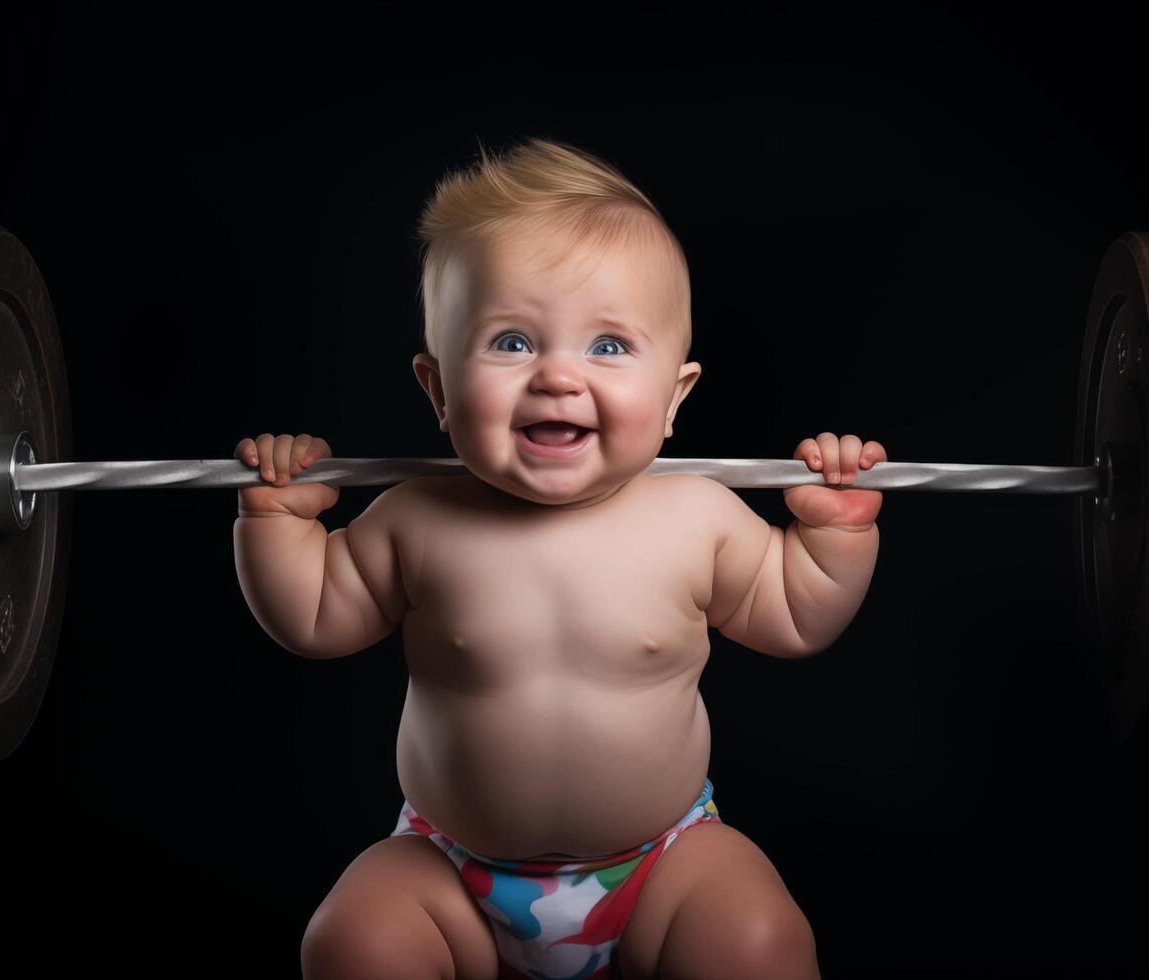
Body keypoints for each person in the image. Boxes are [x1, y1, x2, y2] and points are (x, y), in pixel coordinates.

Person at [234, 137, 884, 980]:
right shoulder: (415, 518)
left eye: (608, 346)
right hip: (450, 869)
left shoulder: (697, 517)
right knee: (353, 943)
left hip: (659, 863)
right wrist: (274, 518)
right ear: (436, 389)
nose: (556, 378)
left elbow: (796, 616)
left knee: (756, 942)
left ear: (674, 396)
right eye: (510, 342)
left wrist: (837, 535)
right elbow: (313, 617)